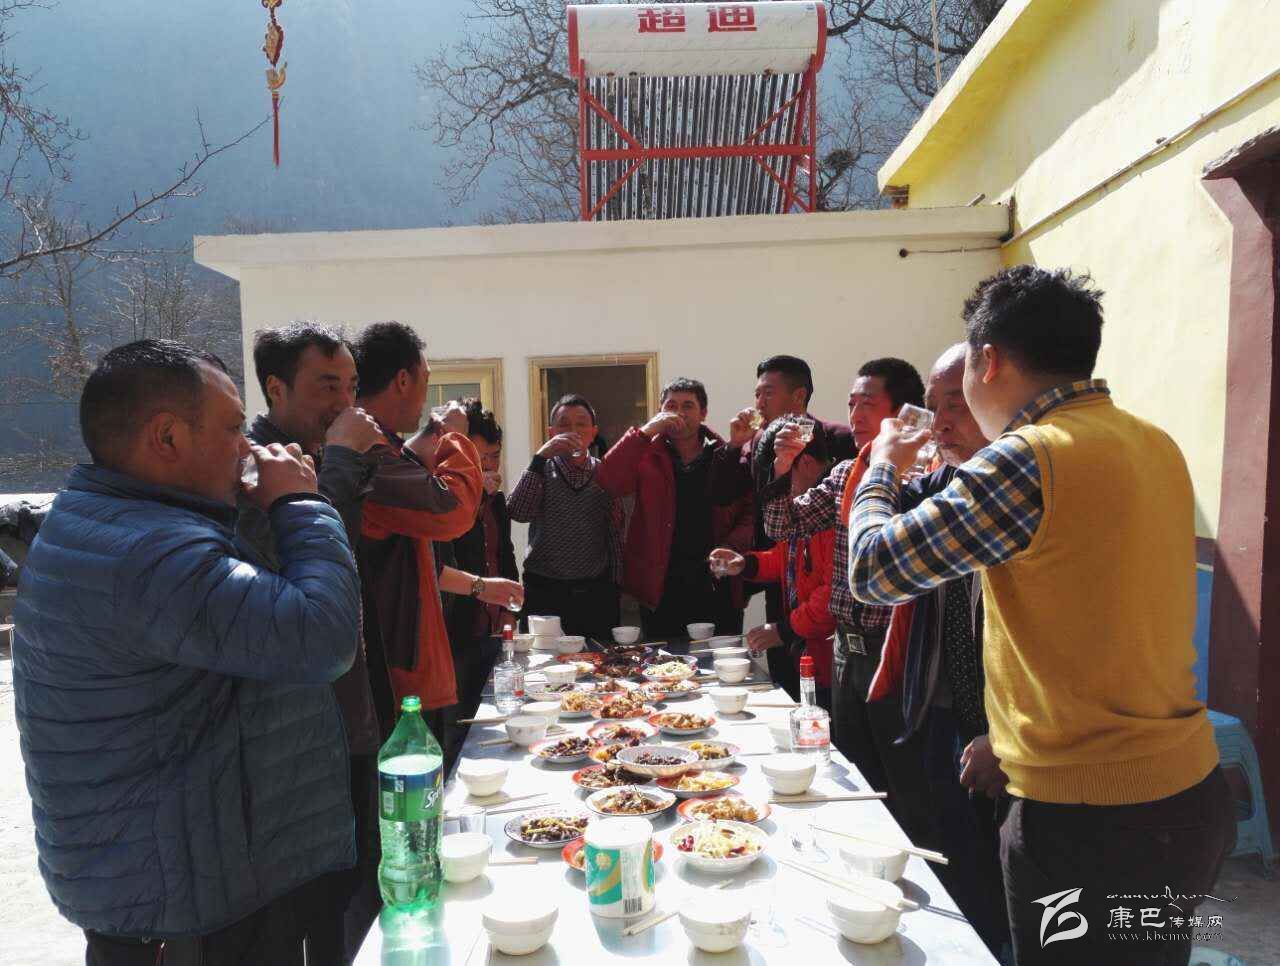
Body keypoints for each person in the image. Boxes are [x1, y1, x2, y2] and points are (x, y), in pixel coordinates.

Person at [849, 267, 1233, 966]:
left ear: (989, 361)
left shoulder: (1029, 457)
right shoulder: (1152, 440)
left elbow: (875, 571)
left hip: (1091, 822)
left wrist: (881, 468)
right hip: (1182, 797)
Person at [13, 339, 360, 965]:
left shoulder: (113, 521)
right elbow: (321, 637)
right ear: (167, 437)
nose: (246, 447)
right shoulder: (151, 555)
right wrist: (301, 503)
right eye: (232, 428)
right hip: (185, 913)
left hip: (175, 886)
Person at [235, 322, 388, 964]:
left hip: (349, 710)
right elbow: (311, 560)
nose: (344, 402)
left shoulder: (323, 458)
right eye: (327, 386)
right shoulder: (254, 470)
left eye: (350, 386)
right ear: (275, 388)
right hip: (297, 729)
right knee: (310, 908)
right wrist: (345, 463)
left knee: (350, 890)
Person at [865, 343, 1010, 958]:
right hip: (939, 704)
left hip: (1009, 731)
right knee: (955, 858)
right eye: (934, 407)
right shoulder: (945, 483)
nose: (942, 422)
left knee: (1010, 885)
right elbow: (865, 534)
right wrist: (880, 464)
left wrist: (1001, 735)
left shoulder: (1018, 483)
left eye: (958, 404)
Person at [764, 357, 937, 850]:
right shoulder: (845, 473)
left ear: (903, 413)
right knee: (852, 770)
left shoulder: (925, 477)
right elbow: (782, 525)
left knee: (905, 781)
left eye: (869, 403)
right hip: (847, 649)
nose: (856, 414)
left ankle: (909, 867)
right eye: (851, 403)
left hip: (895, 652)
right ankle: (859, 855)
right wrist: (780, 470)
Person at [352, 322, 506, 746]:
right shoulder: (366, 455)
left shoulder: (383, 448)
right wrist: (455, 436)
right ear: (404, 380)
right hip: (395, 670)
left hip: (410, 661)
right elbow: (452, 510)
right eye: (425, 379)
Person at [710, 355, 856, 697]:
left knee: (819, 697)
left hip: (827, 624)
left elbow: (833, 590)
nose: (758, 403)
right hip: (784, 585)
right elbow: (723, 495)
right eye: (756, 394)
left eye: (768, 393)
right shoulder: (761, 442)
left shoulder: (837, 448)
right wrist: (746, 563)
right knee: (785, 678)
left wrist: (784, 629)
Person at [595, 378, 754, 638]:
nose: (679, 413)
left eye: (688, 406)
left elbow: (749, 511)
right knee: (665, 661)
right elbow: (608, 480)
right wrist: (645, 431)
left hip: (717, 580)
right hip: (661, 585)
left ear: (703, 413)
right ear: (660, 410)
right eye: (671, 406)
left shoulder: (725, 454)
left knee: (721, 658)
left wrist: (732, 546)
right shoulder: (646, 453)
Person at [710, 426, 836, 710]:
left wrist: (784, 630)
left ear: (805, 463)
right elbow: (787, 558)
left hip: (831, 660)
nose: (777, 490)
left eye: (779, 479)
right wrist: (745, 563)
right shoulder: (804, 505)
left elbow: (831, 596)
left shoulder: (831, 506)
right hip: (808, 650)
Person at [509, 394, 623, 641]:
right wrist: (539, 458)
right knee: (543, 660)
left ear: (593, 432)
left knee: (597, 659)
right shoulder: (540, 470)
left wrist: (615, 588)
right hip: (544, 592)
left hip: (594, 592)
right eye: (564, 424)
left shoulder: (605, 474)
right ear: (551, 432)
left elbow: (614, 534)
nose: (573, 431)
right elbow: (517, 512)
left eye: (581, 423)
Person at [443, 398, 520, 763]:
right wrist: (472, 495)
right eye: (480, 457)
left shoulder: (496, 500)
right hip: (456, 630)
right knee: (456, 728)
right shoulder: (444, 497)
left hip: (493, 629)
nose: (489, 466)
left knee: (496, 721)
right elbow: (443, 563)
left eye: (495, 457)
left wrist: (511, 608)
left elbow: (505, 555)